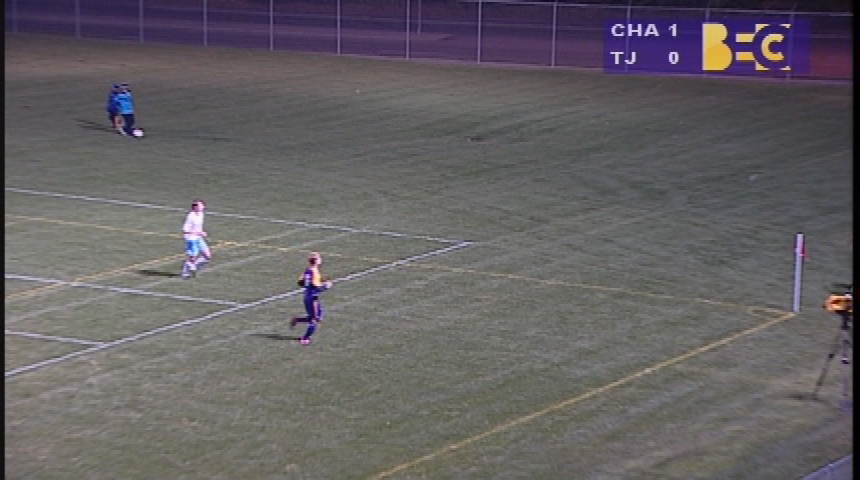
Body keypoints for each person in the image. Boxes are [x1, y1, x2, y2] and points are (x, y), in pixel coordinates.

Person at [290, 252, 333, 345]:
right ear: (317, 261)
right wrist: (326, 286)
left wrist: (319, 281)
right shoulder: (315, 272)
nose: (321, 260)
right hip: (312, 298)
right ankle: (305, 338)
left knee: (316, 315)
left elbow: (300, 282)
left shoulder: (308, 270)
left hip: (307, 296)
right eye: (319, 258)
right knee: (315, 319)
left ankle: (297, 320)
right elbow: (316, 288)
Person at [181, 199, 211, 279]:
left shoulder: (201, 214)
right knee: (192, 258)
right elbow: (185, 230)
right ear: (195, 207)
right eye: (201, 205)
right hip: (192, 239)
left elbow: (198, 227)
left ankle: (193, 267)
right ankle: (185, 273)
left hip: (199, 238)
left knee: (207, 256)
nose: (203, 207)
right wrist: (198, 233)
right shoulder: (190, 217)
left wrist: (200, 232)